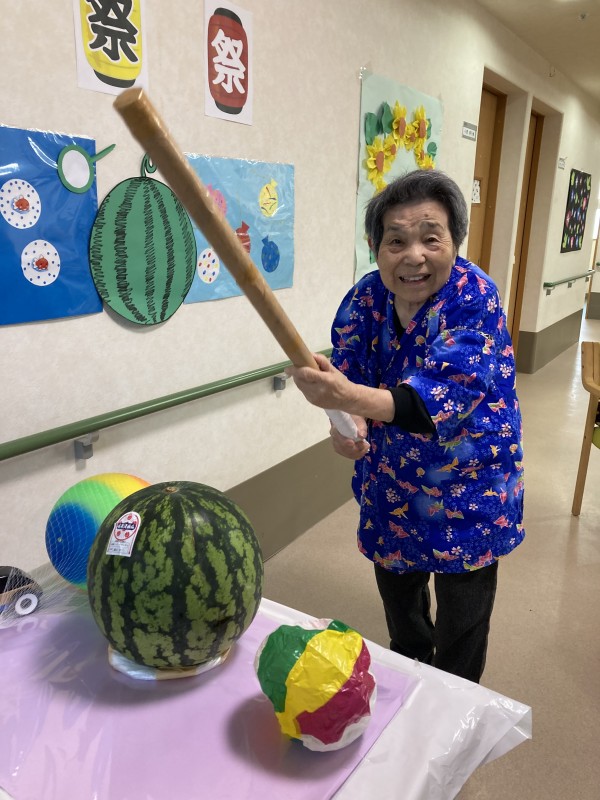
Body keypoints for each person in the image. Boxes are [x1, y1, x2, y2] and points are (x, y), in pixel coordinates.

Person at [286, 169, 524, 684]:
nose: (413, 256)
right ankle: (411, 672)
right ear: (375, 247)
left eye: (431, 238)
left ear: (454, 242)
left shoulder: (474, 297)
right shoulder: (365, 300)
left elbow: (431, 399)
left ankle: (453, 701)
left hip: (469, 488)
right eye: (396, 240)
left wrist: (345, 396)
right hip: (391, 484)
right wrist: (346, 426)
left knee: (463, 620)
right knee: (401, 603)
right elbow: (350, 375)